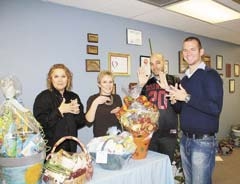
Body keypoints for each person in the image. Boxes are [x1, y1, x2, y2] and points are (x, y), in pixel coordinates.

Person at [167, 36, 223, 184]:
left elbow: (215, 108)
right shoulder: (185, 80)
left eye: (192, 49)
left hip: (202, 142)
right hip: (185, 140)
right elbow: (182, 109)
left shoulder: (211, 76)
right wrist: (175, 101)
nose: (188, 53)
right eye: (185, 50)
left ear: (201, 52)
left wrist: (186, 97)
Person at [33, 64, 85, 155]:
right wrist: (59, 111)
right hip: (51, 150)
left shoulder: (73, 96)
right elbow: (40, 124)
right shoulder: (43, 97)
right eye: (56, 76)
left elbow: (81, 122)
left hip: (71, 148)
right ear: (50, 79)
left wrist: (77, 113)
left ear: (68, 79)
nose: (60, 80)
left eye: (63, 76)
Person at [137, 53, 179, 163]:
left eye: (158, 63)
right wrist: (140, 86)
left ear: (164, 63)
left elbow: (180, 107)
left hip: (169, 133)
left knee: (166, 166)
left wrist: (170, 90)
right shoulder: (147, 83)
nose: (154, 66)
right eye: (151, 64)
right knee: (152, 167)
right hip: (151, 133)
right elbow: (139, 107)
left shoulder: (174, 80)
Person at [85, 70, 122, 137]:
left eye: (110, 82)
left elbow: (122, 120)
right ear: (99, 84)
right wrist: (95, 103)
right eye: (104, 82)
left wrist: (120, 112)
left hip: (117, 139)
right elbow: (88, 122)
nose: (108, 85)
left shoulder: (117, 98)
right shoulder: (93, 98)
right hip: (100, 140)